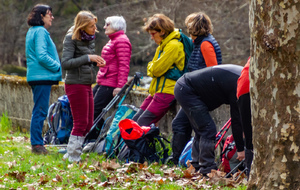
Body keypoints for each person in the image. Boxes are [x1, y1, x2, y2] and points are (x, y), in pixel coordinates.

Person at [171, 12, 222, 165]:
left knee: (184, 125)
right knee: (182, 124)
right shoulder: (199, 42)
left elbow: (213, 70)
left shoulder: (206, 44)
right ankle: (181, 160)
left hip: (199, 94)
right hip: (193, 91)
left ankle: (182, 161)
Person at [174, 64, 244, 175]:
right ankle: (207, 169)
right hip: (187, 89)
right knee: (207, 129)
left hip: (185, 87)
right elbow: (236, 120)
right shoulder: (239, 85)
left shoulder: (242, 77)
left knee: (200, 130)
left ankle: (196, 165)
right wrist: (241, 149)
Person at [61, 11, 106, 162]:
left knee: (88, 123)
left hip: (86, 82)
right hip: (75, 84)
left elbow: (83, 60)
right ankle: (73, 156)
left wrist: (94, 61)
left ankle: (70, 153)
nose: (95, 29)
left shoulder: (89, 38)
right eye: (91, 26)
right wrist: (88, 57)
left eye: (94, 25)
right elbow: (66, 63)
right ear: (82, 26)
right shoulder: (71, 38)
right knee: (80, 122)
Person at [132, 14, 185, 127]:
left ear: (161, 31)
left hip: (167, 91)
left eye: (152, 34)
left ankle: (140, 144)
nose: (151, 38)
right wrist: (153, 68)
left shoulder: (173, 45)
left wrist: (152, 68)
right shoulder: (162, 45)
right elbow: (152, 68)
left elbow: (155, 70)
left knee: (141, 124)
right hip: (158, 90)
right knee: (135, 120)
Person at [25, 4, 62, 154]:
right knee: (40, 110)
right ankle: (37, 145)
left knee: (38, 109)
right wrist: (57, 66)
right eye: (49, 14)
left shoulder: (32, 31)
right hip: (41, 76)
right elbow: (42, 55)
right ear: (41, 16)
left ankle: (37, 143)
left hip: (36, 76)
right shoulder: (40, 31)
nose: (52, 17)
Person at [92, 16, 132, 136]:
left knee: (94, 111)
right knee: (90, 109)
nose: (104, 27)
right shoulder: (113, 39)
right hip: (103, 81)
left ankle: (95, 138)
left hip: (111, 83)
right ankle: (96, 136)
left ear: (116, 26)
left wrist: (120, 86)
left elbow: (124, 65)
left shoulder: (122, 41)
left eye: (107, 24)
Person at [236, 57, 253, 178]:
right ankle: (250, 173)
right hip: (247, 88)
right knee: (250, 136)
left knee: (249, 135)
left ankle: (250, 173)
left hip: (244, 88)